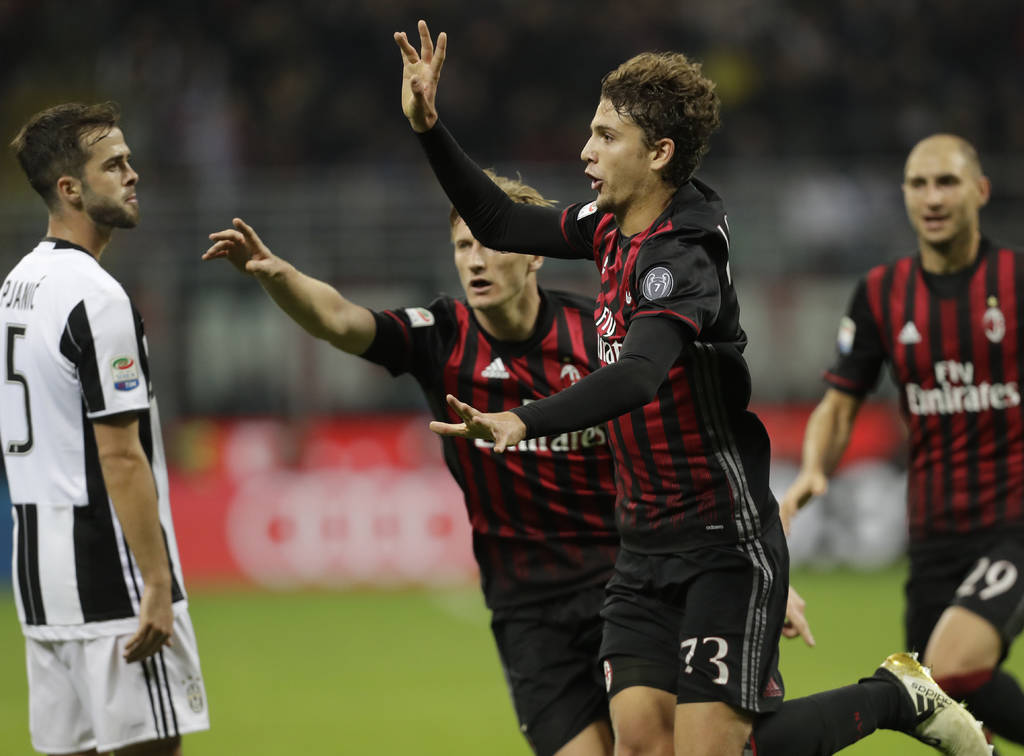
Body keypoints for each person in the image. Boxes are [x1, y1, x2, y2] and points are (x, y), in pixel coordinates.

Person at [394, 19, 991, 756]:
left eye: (605, 136)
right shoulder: (607, 225)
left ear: (658, 153)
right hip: (641, 546)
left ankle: (896, 697)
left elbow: (639, 373)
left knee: (712, 753)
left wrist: (524, 420)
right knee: (644, 744)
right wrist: (428, 126)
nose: (585, 152)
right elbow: (500, 219)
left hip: (721, 543)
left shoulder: (683, 258)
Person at [201, 173, 621, 756]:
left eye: (491, 244)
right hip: (528, 609)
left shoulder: (596, 335)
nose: (475, 260)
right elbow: (342, 321)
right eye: (463, 245)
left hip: (622, 587)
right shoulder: (442, 335)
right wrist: (280, 277)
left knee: (650, 743)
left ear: (534, 256)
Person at [782, 133, 1024, 749]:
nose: (932, 197)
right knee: (943, 706)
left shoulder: (1016, 281)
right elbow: (839, 404)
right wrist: (813, 470)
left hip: (1015, 520)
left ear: (980, 191)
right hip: (936, 532)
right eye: (918, 184)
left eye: (946, 182)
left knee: (950, 666)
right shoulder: (881, 292)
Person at [2, 102, 208, 755]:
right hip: (110, 577)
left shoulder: (15, 286)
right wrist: (156, 583)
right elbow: (120, 455)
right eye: (113, 164)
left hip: (40, 584)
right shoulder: (97, 297)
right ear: (70, 188)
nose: (132, 173)